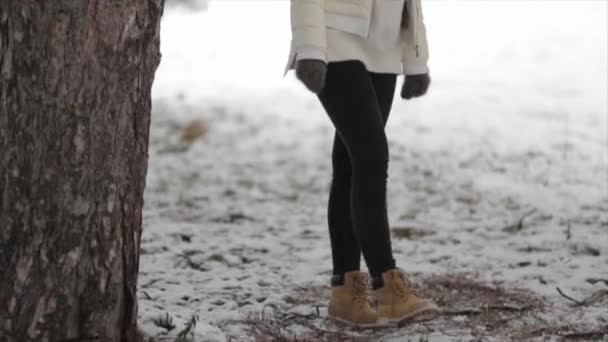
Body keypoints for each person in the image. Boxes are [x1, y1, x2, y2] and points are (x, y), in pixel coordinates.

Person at [284, 0, 439, 328]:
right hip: (335, 38)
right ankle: (388, 286)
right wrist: (311, 47)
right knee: (371, 156)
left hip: (384, 46)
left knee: (351, 165)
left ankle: (345, 294)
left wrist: (416, 58)